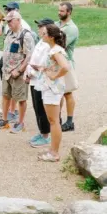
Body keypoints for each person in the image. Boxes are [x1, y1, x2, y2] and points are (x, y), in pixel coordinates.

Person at [0, 10, 34, 133]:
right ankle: (4, 120)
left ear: (18, 20)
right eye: (7, 21)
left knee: (21, 99)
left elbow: (29, 56)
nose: (8, 23)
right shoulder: (9, 32)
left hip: (18, 73)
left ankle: (20, 123)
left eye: (10, 21)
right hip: (7, 72)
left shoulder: (25, 35)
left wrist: (20, 70)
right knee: (6, 96)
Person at [38, 24, 71, 162]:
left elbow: (65, 67)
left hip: (53, 89)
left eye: (44, 33)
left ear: (51, 37)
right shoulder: (53, 49)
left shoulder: (55, 51)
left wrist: (54, 76)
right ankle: (52, 149)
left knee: (53, 121)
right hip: (52, 88)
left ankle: (55, 153)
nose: (42, 35)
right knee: (53, 120)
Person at [26, 19, 54, 148]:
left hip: (40, 79)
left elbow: (42, 63)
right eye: (38, 26)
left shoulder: (48, 45)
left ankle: (46, 135)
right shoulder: (40, 42)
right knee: (36, 107)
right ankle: (41, 131)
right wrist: (28, 73)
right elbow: (32, 59)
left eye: (41, 26)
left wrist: (31, 72)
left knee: (42, 108)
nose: (39, 28)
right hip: (33, 79)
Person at [58, 1, 80, 132]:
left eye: (62, 11)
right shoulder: (57, 24)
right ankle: (57, 119)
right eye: (59, 10)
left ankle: (70, 121)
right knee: (58, 93)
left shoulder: (72, 28)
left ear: (69, 12)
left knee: (67, 92)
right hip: (58, 63)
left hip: (66, 62)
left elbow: (61, 44)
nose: (59, 13)